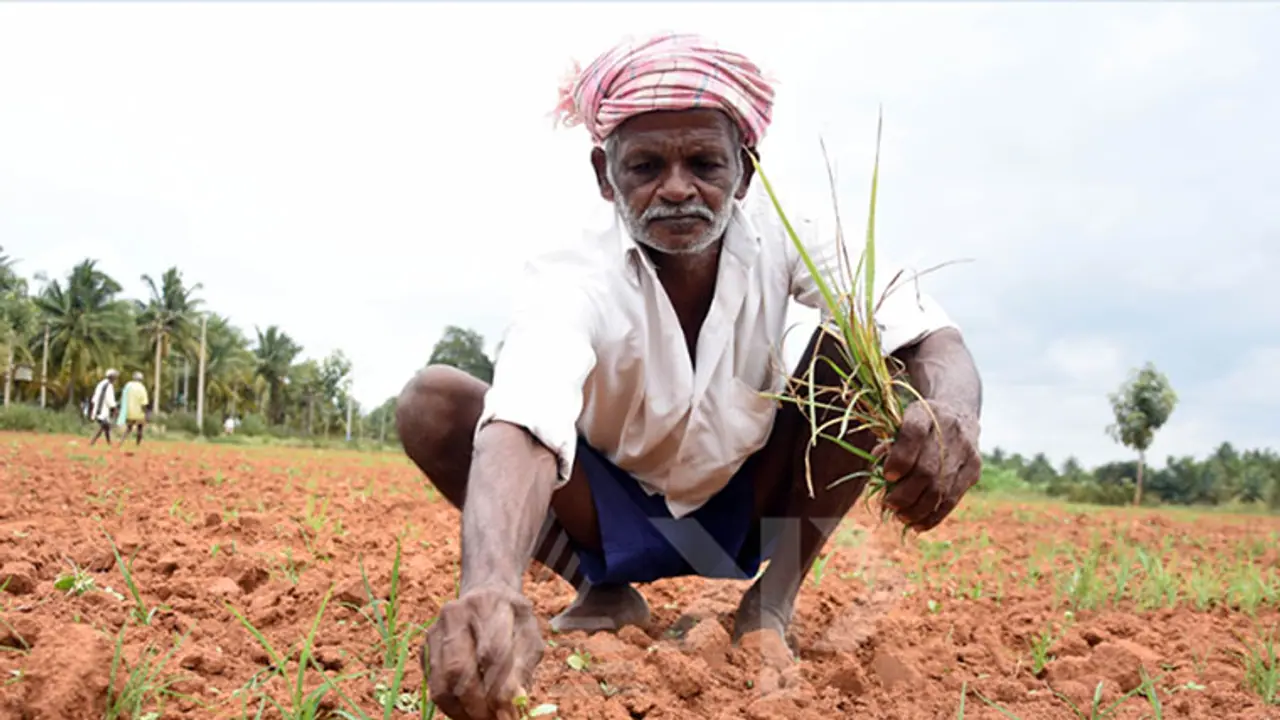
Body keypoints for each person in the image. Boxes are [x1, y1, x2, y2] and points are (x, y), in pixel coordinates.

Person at [396, 32, 984, 719]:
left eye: (704, 163)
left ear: (746, 170)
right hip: (602, 507)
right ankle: (601, 588)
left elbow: (927, 333)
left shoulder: (793, 231)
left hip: (748, 500)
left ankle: (772, 602)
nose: (676, 188)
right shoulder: (571, 270)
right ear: (604, 175)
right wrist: (490, 586)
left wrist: (952, 413)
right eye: (645, 166)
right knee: (433, 402)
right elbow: (523, 417)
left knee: (858, 351)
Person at [115, 371, 150, 448]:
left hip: (129, 412)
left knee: (128, 428)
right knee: (140, 428)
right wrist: (146, 413)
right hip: (139, 413)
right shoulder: (142, 388)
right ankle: (137, 445)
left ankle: (120, 442)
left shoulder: (128, 386)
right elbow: (144, 403)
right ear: (141, 379)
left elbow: (123, 398)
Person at [88, 369, 119, 447]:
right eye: (115, 377)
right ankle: (92, 442)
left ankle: (109, 443)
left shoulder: (101, 383)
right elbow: (110, 399)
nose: (115, 379)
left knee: (106, 427)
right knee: (103, 426)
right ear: (112, 377)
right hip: (102, 409)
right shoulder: (109, 385)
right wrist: (115, 408)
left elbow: (95, 397)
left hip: (97, 408)